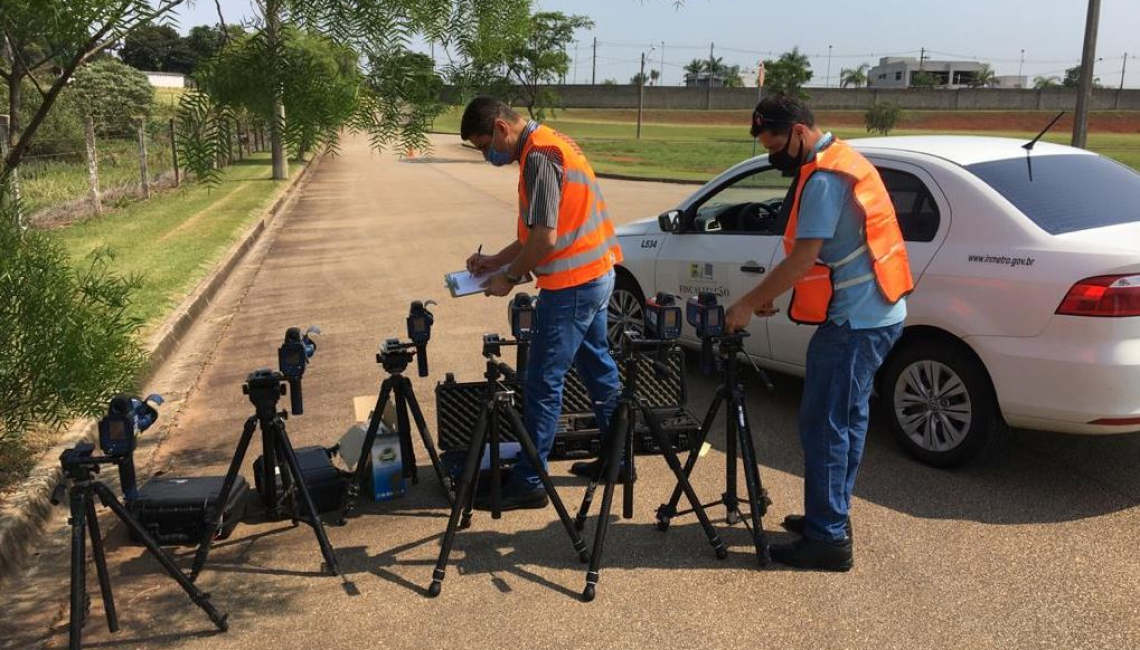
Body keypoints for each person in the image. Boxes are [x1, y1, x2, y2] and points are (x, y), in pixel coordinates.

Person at [725, 95, 913, 571]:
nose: (774, 156)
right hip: (878, 314)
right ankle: (829, 516)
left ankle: (827, 538)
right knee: (846, 421)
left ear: (800, 133)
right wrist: (774, 294)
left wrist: (746, 302)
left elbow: (802, 259)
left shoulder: (825, 179)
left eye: (776, 145)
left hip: (855, 324)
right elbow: (831, 257)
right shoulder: (841, 159)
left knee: (824, 426)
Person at [461, 96, 623, 510]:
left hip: (572, 286)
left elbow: (545, 239)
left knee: (542, 384)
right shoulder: (551, 144)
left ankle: (530, 481)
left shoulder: (540, 158)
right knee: (598, 367)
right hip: (597, 274)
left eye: (484, 146)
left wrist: (509, 278)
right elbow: (538, 231)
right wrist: (496, 260)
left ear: (500, 128)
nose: (487, 156)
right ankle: (618, 459)